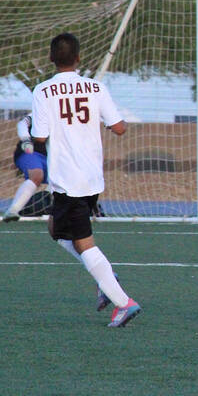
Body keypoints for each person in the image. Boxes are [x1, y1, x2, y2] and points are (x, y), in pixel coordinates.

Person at [30, 32, 141, 327]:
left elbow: (39, 136)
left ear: (51, 59)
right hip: (92, 178)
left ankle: (122, 301)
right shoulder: (96, 87)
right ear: (79, 59)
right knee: (56, 230)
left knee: (82, 241)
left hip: (69, 180)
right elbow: (118, 128)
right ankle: (105, 278)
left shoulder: (42, 90)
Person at [4, 114, 47, 221]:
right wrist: (26, 140)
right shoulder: (42, 110)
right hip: (31, 152)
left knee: (66, 181)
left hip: (53, 156)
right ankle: (13, 211)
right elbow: (22, 124)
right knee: (37, 175)